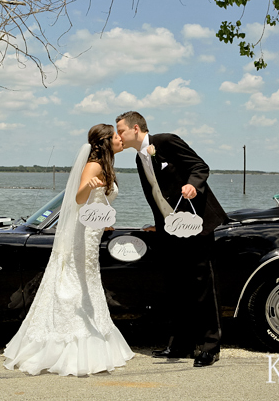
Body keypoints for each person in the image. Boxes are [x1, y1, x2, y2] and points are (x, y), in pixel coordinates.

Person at [3, 124, 133, 376]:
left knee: (88, 283)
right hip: (83, 237)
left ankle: (92, 334)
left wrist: (103, 220)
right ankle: (70, 340)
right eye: (116, 136)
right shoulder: (94, 165)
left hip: (92, 233)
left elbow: (95, 203)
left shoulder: (105, 165)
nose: (120, 139)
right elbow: (78, 198)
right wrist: (89, 185)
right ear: (106, 142)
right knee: (76, 284)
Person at [115, 111, 229, 368]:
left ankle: (210, 347)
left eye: (121, 130)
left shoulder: (165, 141)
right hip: (170, 230)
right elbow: (156, 193)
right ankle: (181, 345)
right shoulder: (138, 158)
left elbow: (200, 166)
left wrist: (193, 185)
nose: (119, 136)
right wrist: (158, 225)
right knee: (177, 288)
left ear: (136, 128)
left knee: (203, 286)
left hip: (196, 224)